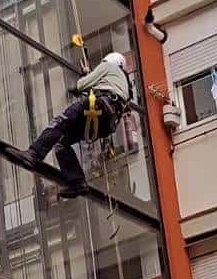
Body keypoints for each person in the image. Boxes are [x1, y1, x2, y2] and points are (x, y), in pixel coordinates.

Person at [20, 52, 133, 198]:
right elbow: (105, 88)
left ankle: (33, 153)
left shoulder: (108, 67)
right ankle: (78, 183)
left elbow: (82, 85)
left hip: (100, 105)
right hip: (107, 123)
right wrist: (90, 74)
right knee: (62, 143)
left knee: (61, 122)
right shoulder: (125, 84)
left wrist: (85, 77)